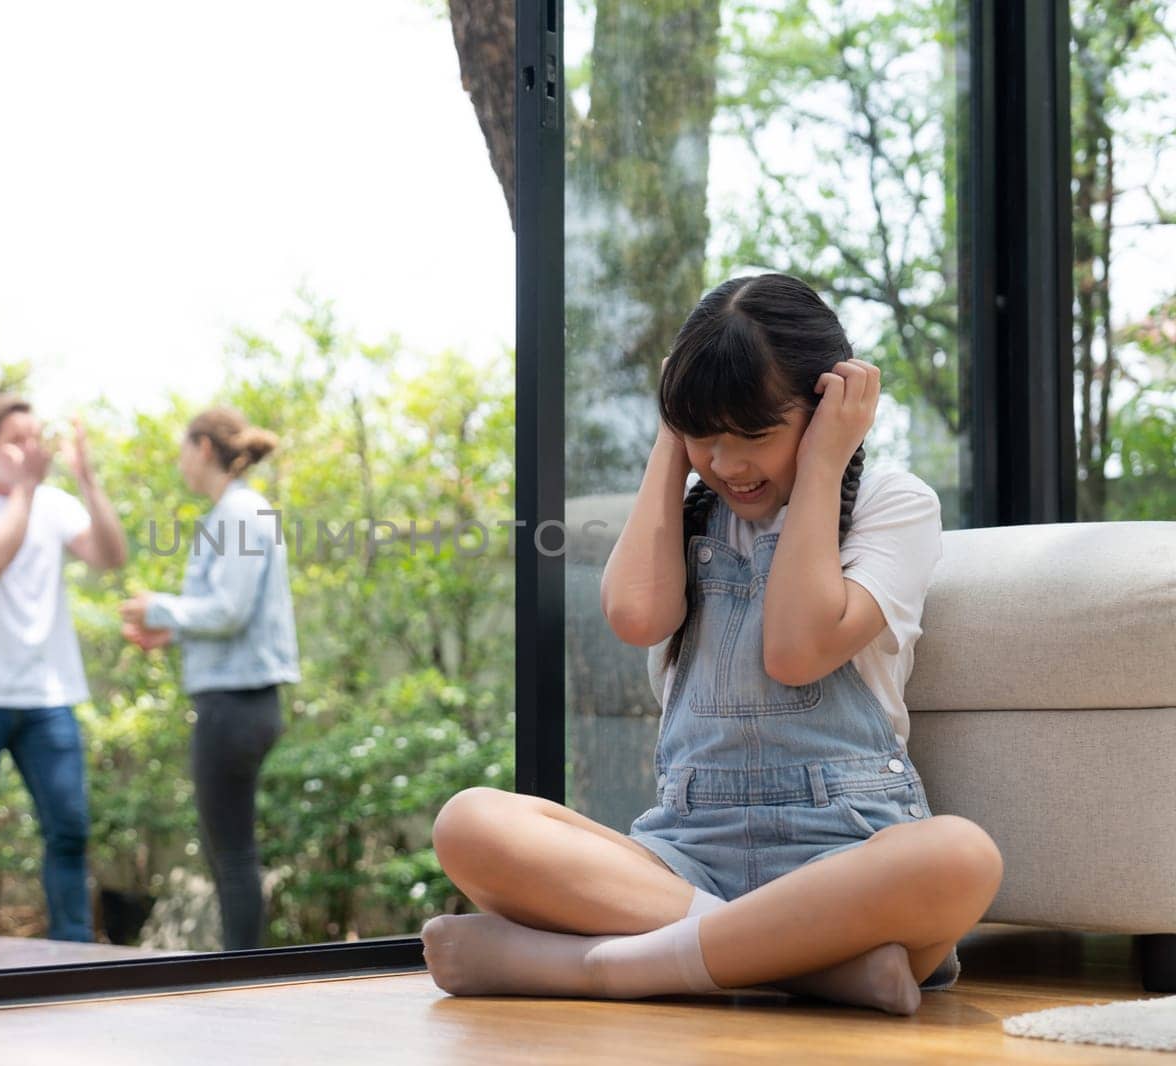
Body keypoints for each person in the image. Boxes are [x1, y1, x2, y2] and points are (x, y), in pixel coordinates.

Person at [419, 274, 1002, 1014]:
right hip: (685, 858)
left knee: (959, 858)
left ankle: (603, 969)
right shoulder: (691, 515)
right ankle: (800, 965)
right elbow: (635, 616)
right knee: (471, 823)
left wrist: (822, 465)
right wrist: (673, 435)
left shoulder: (893, 504)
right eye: (705, 435)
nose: (726, 465)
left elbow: (795, 651)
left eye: (753, 435)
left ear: (828, 408)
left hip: (846, 853)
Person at [0, 393, 129, 942]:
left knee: (70, 832)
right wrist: (28, 489)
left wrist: (87, 480)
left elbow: (110, 557)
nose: (30, 451)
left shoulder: (56, 505)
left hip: (47, 698)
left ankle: (73, 958)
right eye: (17, 441)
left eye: (36, 440)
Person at [118, 406, 300, 951]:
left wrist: (160, 608)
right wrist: (171, 633)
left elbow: (230, 609)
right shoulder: (234, 513)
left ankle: (243, 974)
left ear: (202, 447)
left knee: (233, 852)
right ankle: (241, 971)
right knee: (227, 849)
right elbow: (228, 616)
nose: (180, 464)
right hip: (237, 701)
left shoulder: (240, 513)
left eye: (181, 450)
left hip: (237, 706)